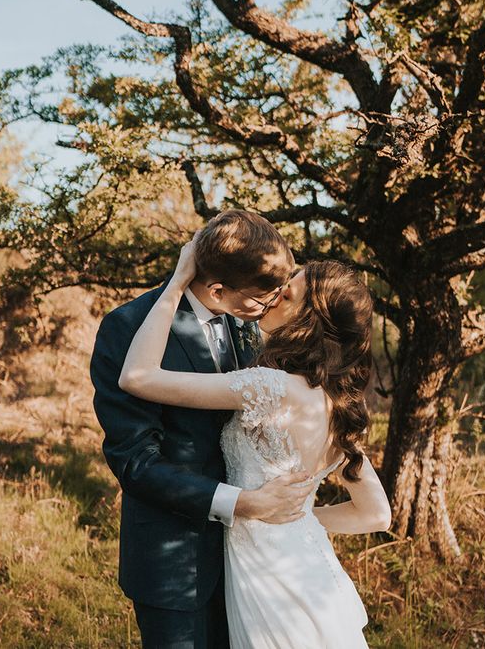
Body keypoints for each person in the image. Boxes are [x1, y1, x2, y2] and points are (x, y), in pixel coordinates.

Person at [119, 237, 393, 648]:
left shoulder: (270, 387)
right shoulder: (338, 403)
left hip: (268, 580)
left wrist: (176, 283)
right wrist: (301, 519)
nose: (271, 297)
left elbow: (136, 377)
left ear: (308, 321)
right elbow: (376, 514)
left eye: (287, 294)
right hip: (306, 567)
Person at [90, 210, 316, 649]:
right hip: (175, 566)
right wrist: (244, 503)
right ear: (217, 290)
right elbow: (134, 462)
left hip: (251, 561)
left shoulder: (247, 325)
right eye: (262, 299)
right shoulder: (126, 329)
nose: (271, 307)